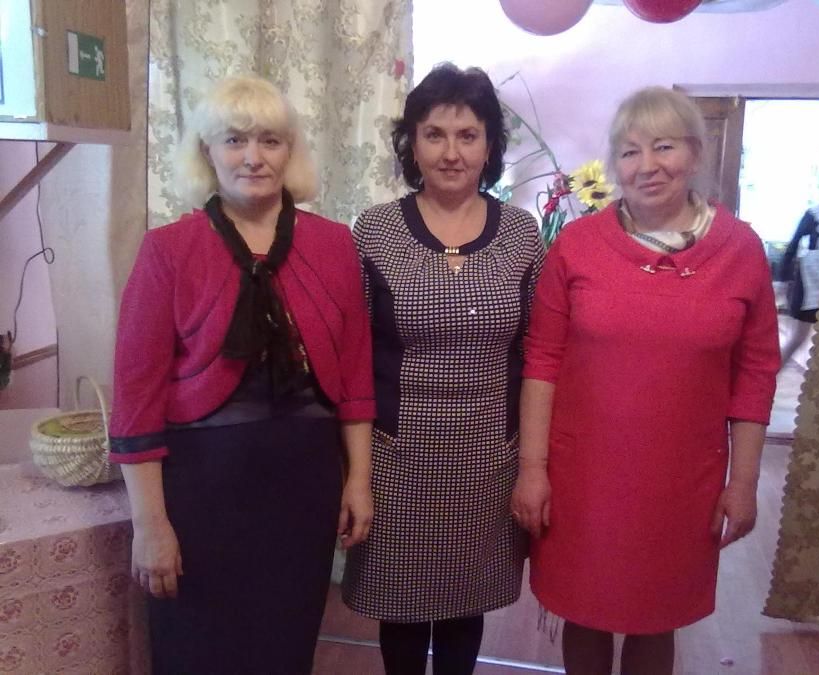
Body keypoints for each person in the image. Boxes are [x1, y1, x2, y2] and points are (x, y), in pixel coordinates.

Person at [108, 75, 375, 674]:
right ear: (208, 151)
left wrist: (358, 480)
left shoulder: (334, 245)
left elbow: (356, 372)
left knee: (286, 648)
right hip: (200, 492)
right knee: (197, 650)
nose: (253, 157)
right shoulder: (167, 249)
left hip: (304, 486)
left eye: (269, 141)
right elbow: (135, 397)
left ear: (290, 151)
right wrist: (150, 525)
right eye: (234, 140)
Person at [512, 86, 780, 675]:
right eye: (630, 152)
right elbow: (542, 360)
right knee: (583, 610)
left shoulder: (740, 250)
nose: (647, 165)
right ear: (615, 165)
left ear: (695, 152)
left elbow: (756, 372)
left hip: (682, 481)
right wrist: (532, 470)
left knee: (657, 616)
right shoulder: (577, 246)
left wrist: (743, 482)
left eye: (664, 146)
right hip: (584, 478)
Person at [341, 63, 545, 675]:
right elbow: (353, 362)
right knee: (400, 610)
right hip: (396, 460)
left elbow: (539, 354)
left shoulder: (521, 233)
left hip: (488, 459)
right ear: (412, 143)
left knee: (464, 607)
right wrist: (355, 475)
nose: (451, 152)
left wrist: (533, 464)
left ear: (489, 146)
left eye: (467, 135)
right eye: (434, 134)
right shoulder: (375, 230)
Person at [777, 169, 819, 369]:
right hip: (809, 283)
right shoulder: (815, 214)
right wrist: (782, 280)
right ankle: (768, 379)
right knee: (797, 338)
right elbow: (792, 247)